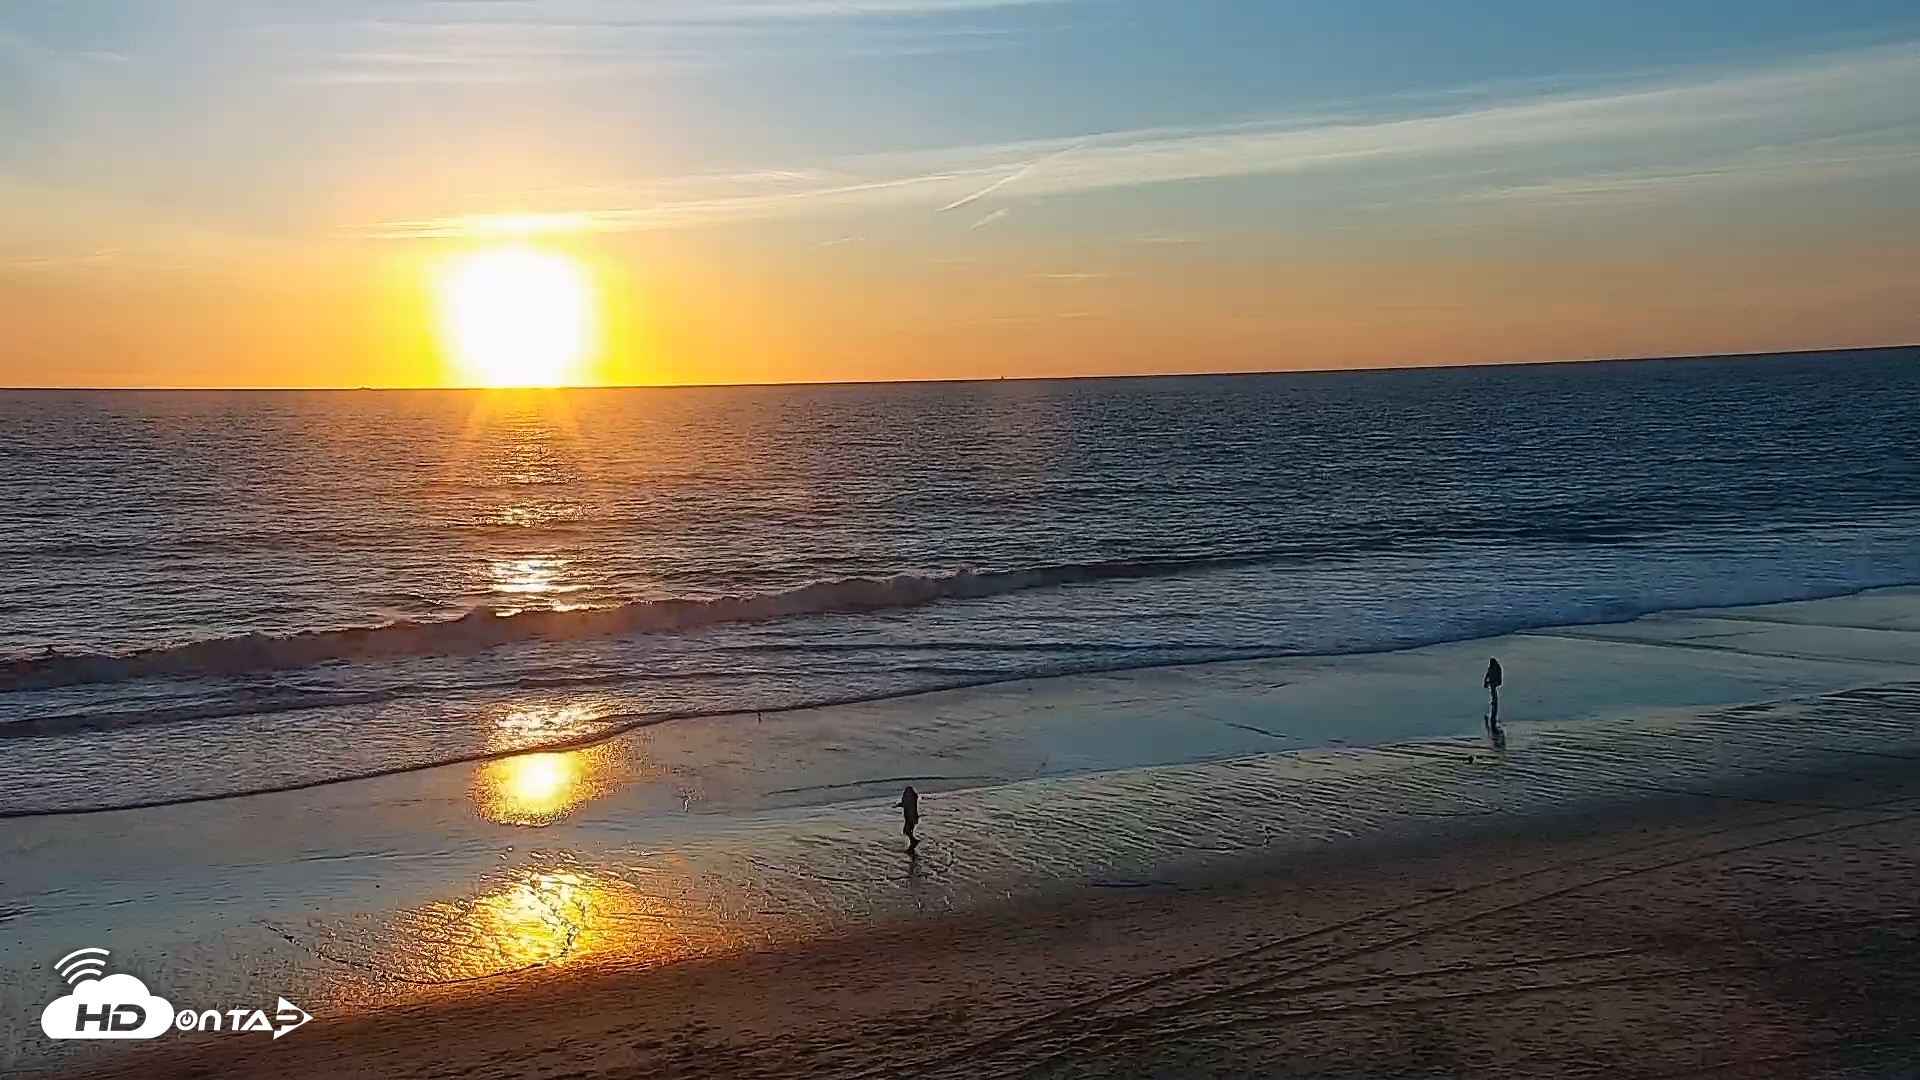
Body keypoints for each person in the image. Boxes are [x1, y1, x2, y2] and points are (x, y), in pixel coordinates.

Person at [895, 785, 920, 852]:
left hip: (910, 817)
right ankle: (912, 843)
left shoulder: (909, 799)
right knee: (909, 831)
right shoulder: (913, 799)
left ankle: (913, 841)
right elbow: (906, 804)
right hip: (913, 817)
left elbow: (906, 805)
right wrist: (899, 804)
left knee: (906, 831)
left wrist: (900, 804)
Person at [1483, 657, 1503, 726]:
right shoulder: (1494, 667)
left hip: (1494, 681)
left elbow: (1497, 674)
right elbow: (1488, 674)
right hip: (1493, 681)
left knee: (1493, 692)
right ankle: (1493, 701)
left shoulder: (1496, 667)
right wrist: (1486, 681)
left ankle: (1494, 702)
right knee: (1493, 692)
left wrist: (1486, 681)